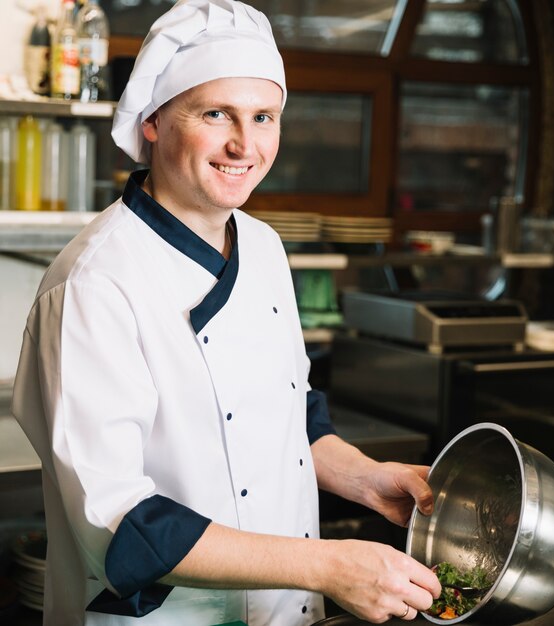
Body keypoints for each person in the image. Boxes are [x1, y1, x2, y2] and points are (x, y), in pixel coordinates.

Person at [11, 1, 441, 624]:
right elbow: (119, 522)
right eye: (216, 114)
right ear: (155, 120)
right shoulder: (93, 285)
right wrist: (326, 565)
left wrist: (368, 479)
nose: (245, 144)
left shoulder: (262, 245)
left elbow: (289, 417)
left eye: (264, 117)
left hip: (285, 611)